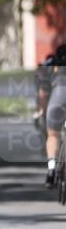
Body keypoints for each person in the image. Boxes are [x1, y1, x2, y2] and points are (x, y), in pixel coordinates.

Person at [41, 42, 66, 188]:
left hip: (58, 97)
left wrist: (45, 113)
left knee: (53, 135)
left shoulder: (53, 67)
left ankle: (51, 169)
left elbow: (43, 93)